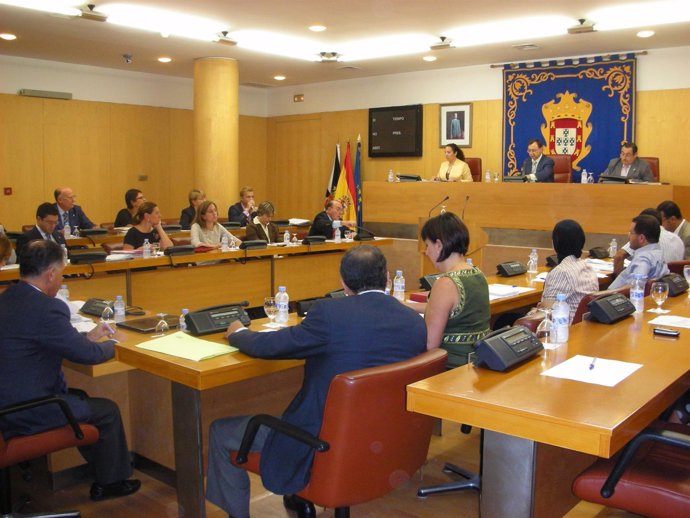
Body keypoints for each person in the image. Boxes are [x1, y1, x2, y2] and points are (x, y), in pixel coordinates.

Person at [205, 245, 426, 518]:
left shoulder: (329, 315)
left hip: (322, 443)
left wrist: (238, 333)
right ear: (388, 277)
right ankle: (295, 498)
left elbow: (270, 346)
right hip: (384, 441)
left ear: (343, 283)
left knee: (220, 430)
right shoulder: (415, 322)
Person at [0, 240, 140, 501]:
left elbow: (56, 342)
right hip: (24, 410)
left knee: (82, 399)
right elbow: (88, 356)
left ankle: (102, 471)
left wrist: (89, 336)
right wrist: (114, 343)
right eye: (61, 272)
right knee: (106, 411)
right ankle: (110, 483)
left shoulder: (8, 297)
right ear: (51, 274)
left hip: (8, 400)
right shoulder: (47, 307)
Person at [419, 212, 491, 368]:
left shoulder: (446, 283)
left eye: (427, 245)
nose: (426, 251)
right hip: (478, 361)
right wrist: (400, 304)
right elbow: (444, 309)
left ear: (438, 245)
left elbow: (430, 344)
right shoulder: (478, 274)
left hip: (451, 368)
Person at [539, 220, 598, 323]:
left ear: (556, 242)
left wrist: (536, 308)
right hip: (584, 327)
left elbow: (546, 311)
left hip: (564, 330)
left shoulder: (561, 272)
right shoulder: (588, 268)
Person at [609, 214, 669, 289]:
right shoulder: (659, 254)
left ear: (641, 238)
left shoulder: (643, 259)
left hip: (617, 298)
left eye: (631, 233)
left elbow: (636, 286)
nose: (628, 236)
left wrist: (598, 295)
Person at [617, 208, 684, 263]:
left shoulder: (646, 238)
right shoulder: (678, 239)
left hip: (647, 278)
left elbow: (619, 256)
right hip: (673, 278)